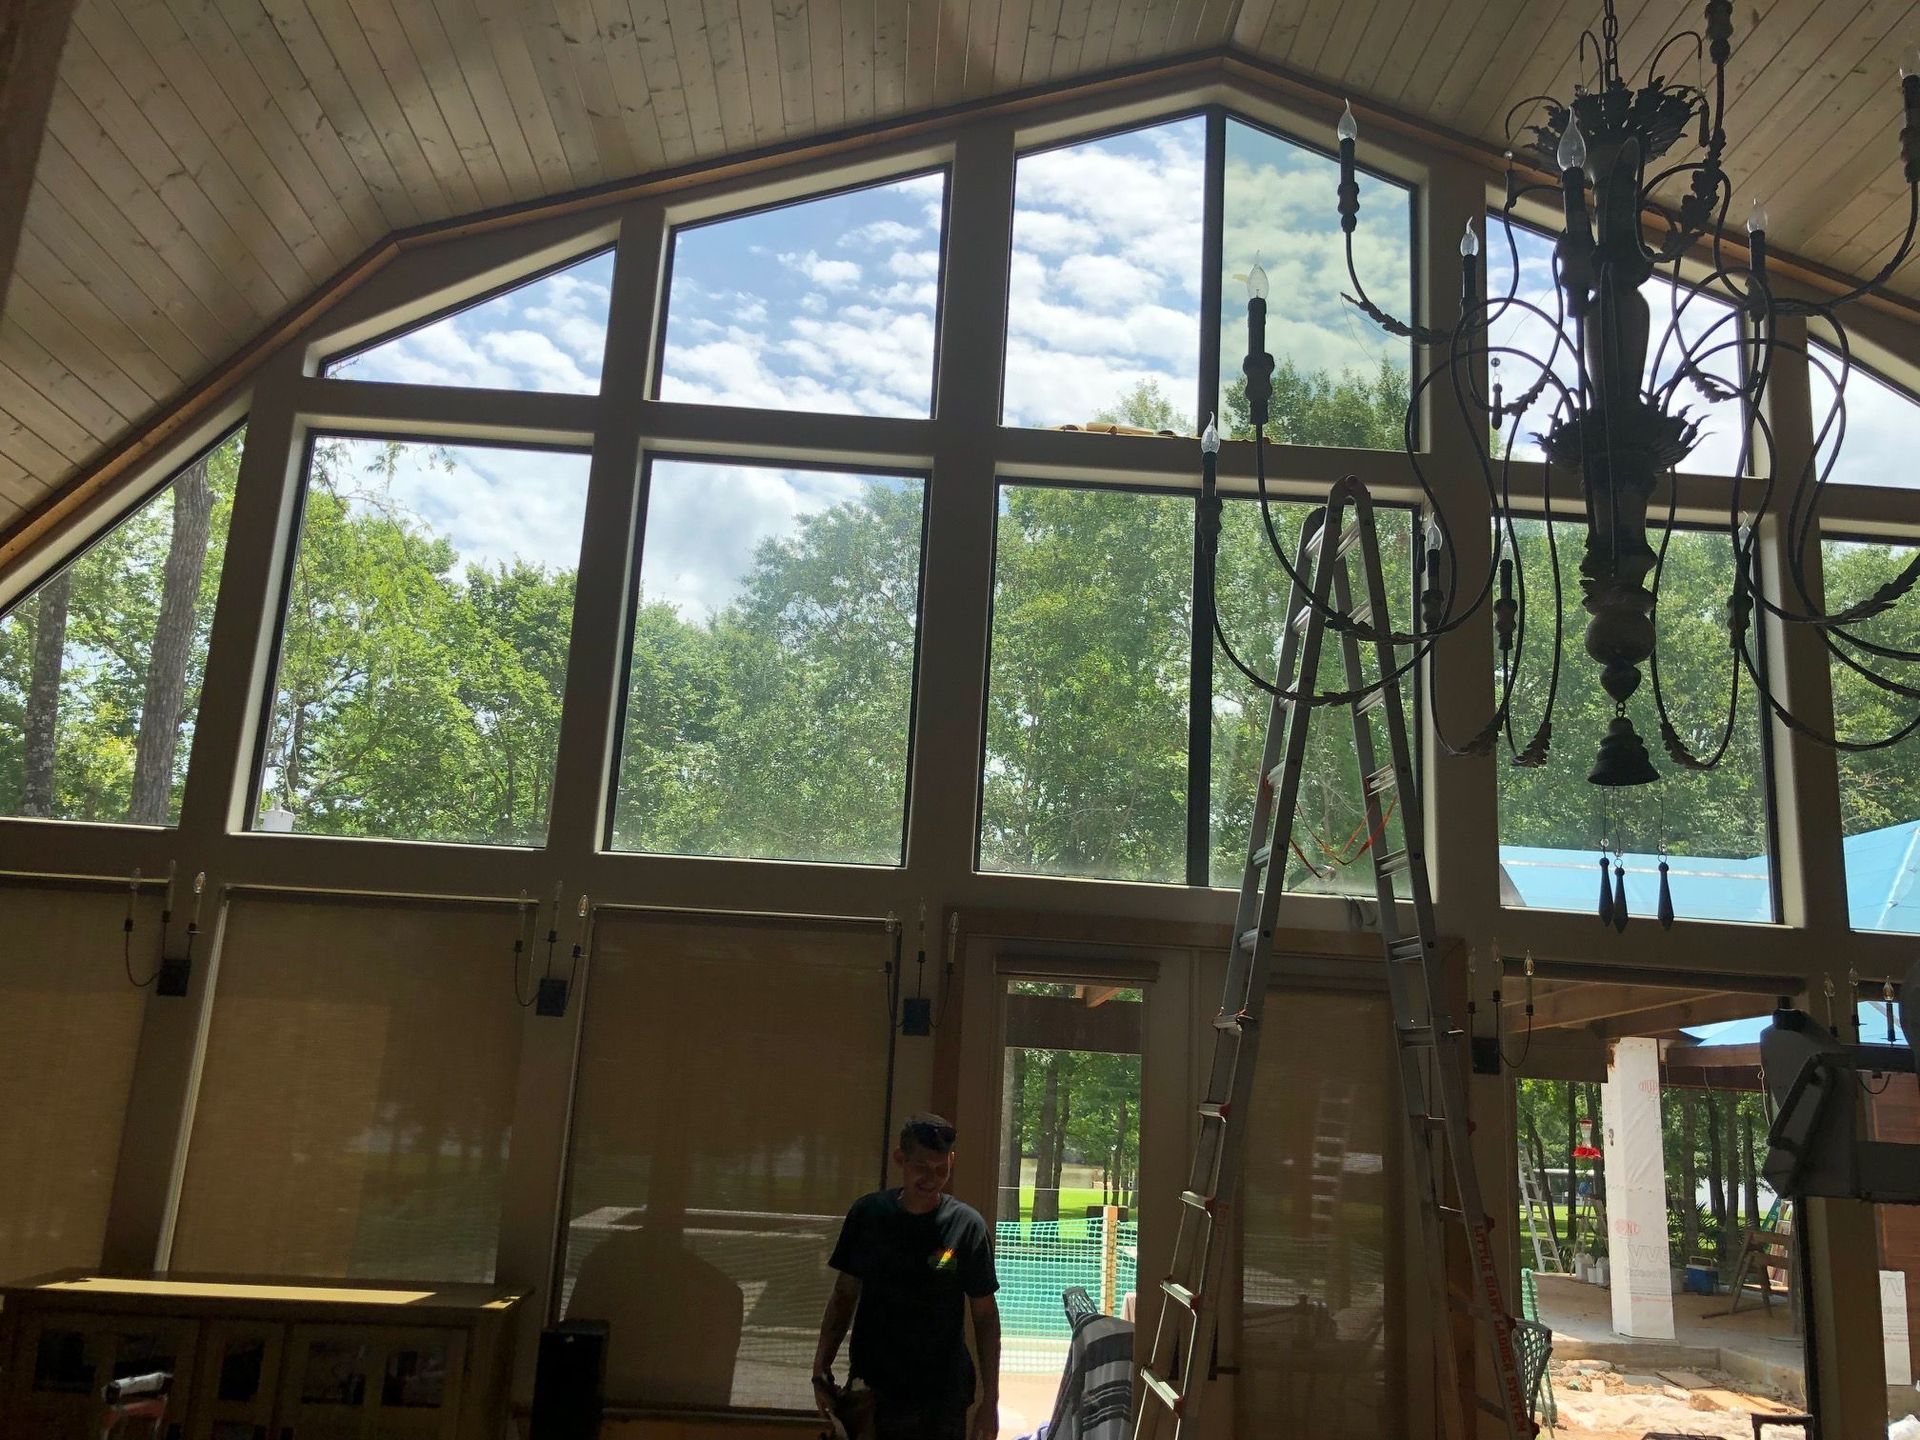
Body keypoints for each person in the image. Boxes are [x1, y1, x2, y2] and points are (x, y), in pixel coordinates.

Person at [813, 1113, 1001, 1440]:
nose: (931, 1178)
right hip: (874, 1388)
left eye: (941, 1169)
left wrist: (991, 1400)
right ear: (901, 1159)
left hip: (941, 1396)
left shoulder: (966, 1227)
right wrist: (821, 1367)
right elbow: (844, 1296)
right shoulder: (869, 1215)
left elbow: (985, 1317)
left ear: (952, 1161)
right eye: (922, 1168)